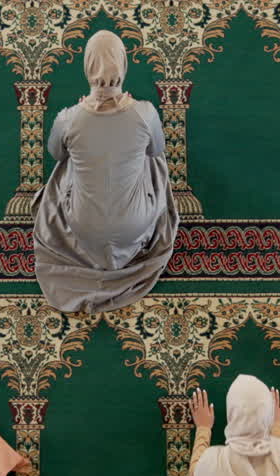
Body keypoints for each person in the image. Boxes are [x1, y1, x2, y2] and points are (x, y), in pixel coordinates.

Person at [32, 29, 179, 313]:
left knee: (69, 163)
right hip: (134, 225)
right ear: (122, 64)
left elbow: (55, 154)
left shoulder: (68, 117)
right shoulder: (145, 112)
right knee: (152, 159)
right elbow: (157, 149)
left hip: (82, 226)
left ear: (88, 66)